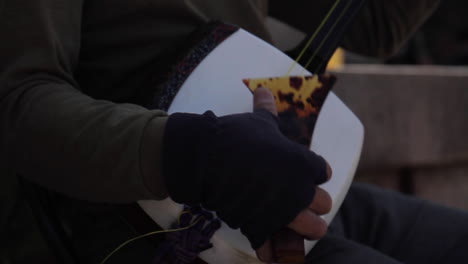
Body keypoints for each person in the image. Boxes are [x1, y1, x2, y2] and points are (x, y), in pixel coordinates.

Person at [2, 0, 467, 263]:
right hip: (163, 233)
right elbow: (18, 98)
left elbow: (374, 23)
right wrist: (196, 154)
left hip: (286, 190)